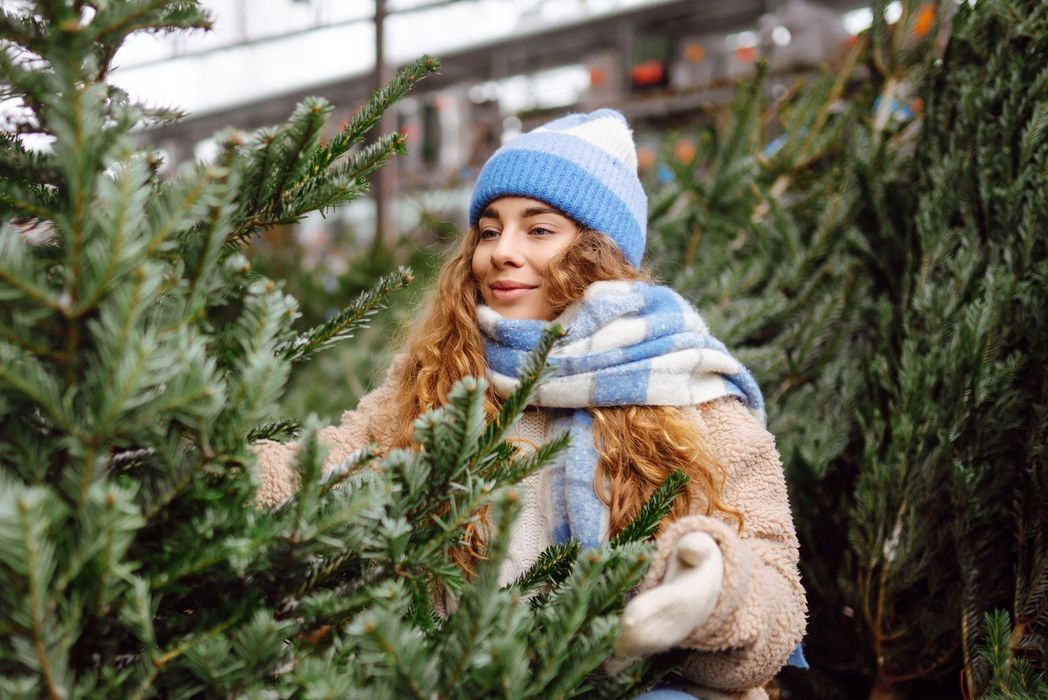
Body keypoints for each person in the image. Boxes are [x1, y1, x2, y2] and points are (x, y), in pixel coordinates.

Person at [254, 109, 807, 699]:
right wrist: (229, 476)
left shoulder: (688, 388)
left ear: (597, 250)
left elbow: (778, 598)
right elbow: (332, 465)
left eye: (538, 230)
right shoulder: (437, 376)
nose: (502, 252)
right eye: (490, 231)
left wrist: (711, 593)